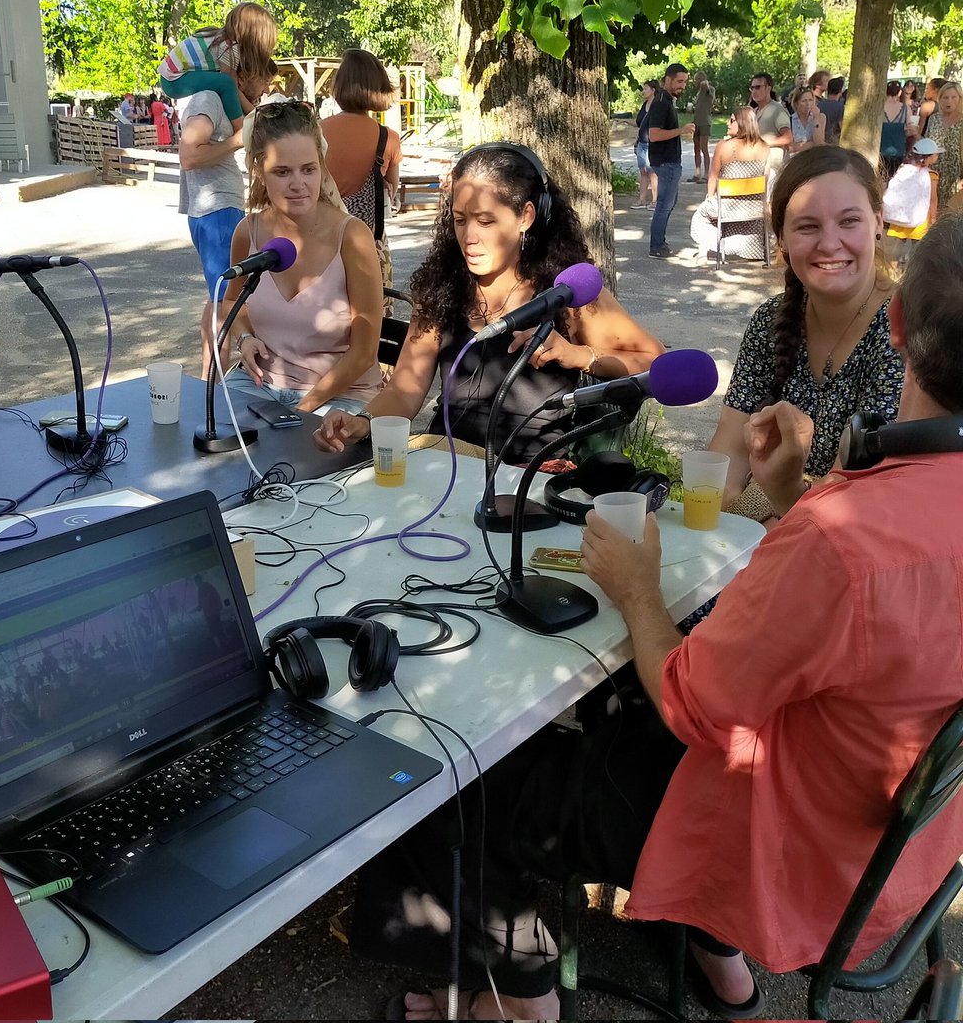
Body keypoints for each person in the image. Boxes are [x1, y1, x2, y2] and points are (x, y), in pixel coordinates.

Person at [352, 211, 963, 1023]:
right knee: (610, 703)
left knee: (460, 768)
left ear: (895, 324)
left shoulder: (844, 539)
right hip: (897, 850)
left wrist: (638, 588)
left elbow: (694, 704)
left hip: (779, 843)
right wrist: (787, 493)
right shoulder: (869, 522)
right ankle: (717, 957)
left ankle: (519, 996)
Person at [314, 144, 665, 464]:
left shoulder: (566, 294)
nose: (469, 238)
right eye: (460, 220)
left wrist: (580, 356)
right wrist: (362, 422)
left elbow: (656, 364)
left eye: (485, 221)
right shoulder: (442, 287)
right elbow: (404, 391)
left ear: (526, 216)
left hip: (530, 472)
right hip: (448, 461)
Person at [706, 147, 904, 524]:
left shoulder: (903, 327)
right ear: (781, 236)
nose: (829, 244)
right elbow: (724, 461)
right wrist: (725, 523)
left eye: (849, 221)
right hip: (774, 537)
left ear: (878, 223)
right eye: (808, 226)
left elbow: (849, 498)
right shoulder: (771, 320)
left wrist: (767, 506)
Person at [221, 99, 383, 415]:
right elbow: (230, 303)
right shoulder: (248, 231)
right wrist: (244, 339)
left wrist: (302, 409)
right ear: (258, 171)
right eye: (282, 172)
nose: (299, 184)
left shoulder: (352, 236)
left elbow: (364, 352)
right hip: (259, 386)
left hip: (340, 396)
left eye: (308, 169)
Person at [178, 67, 270, 376]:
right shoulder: (209, 99)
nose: (266, 84)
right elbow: (190, 155)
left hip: (215, 209)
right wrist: (240, 138)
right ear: (241, 74)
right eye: (263, 75)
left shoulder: (215, 99)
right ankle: (213, 383)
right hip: (217, 209)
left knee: (217, 298)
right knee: (227, 299)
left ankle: (210, 378)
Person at [320, 49, 403, 292]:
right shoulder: (388, 138)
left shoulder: (315, 131)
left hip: (322, 241)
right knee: (374, 317)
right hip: (368, 244)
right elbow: (391, 188)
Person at [158, 1, 277, 138]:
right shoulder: (229, 47)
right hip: (174, 80)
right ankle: (240, 127)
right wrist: (253, 113)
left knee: (224, 82)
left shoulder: (220, 39)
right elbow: (231, 87)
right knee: (226, 83)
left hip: (174, 76)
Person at [689, 107, 771, 261]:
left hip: (727, 206)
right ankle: (751, 248)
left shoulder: (723, 146)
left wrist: (710, 197)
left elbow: (713, 177)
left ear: (742, 123)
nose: (728, 123)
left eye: (732, 120)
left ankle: (710, 248)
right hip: (755, 207)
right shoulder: (765, 147)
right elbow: (765, 180)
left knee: (702, 214)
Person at [646, 62, 694, 258]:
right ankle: (656, 246)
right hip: (666, 162)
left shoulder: (666, 101)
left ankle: (660, 242)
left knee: (668, 203)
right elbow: (654, 135)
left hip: (669, 162)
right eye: (679, 81)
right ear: (668, 80)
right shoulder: (660, 103)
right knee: (664, 205)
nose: (683, 85)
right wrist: (681, 131)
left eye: (685, 82)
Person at [883, 137, 940, 269]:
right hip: (921, 219)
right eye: (935, 154)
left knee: (899, 243)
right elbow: (933, 198)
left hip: (900, 215)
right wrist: (933, 218)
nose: (937, 157)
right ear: (928, 157)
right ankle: (911, 271)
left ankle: (893, 269)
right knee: (917, 245)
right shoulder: (931, 175)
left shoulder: (904, 169)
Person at [922, 79, 963, 212]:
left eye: (953, 97)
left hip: (955, 178)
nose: (949, 101)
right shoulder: (934, 119)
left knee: (951, 218)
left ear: (960, 99)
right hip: (933, 176)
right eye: (945, 97)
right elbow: (926, 145)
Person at [749, 72, 791, 189]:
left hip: (772, 168)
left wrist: (765, 142)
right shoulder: (754, 111)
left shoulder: (777, 110)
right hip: (755, 165)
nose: (754, 91)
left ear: (768, 88)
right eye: (752, 88)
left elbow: (788, 137)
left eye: (758, 87)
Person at [632, 80, 658, 209]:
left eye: (646, 88)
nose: (643, 91)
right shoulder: (644, 105)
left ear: (653, 90)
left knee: (652, 172)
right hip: (642, 143)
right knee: (643, 171)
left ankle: (655, 201)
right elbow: (639, 122)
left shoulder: (657, 106)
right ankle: (642, 200)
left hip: (652, 143)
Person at [879, 80, 912, 178]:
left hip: (880, 152)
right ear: (900, 92)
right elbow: (909, 131)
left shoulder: (879, 108)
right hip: (898, 151)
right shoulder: (906, 109)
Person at [689, 71, 715, 182]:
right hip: (697, 122)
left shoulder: (709, 89)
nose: (696, 81)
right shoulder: (698, 92)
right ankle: (697, 173)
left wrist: (705, 83)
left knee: (704, 148)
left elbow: (707, 87)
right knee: (696, 148)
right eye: (695, 79)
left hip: (705, 122)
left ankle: (706, 175)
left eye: (697, 79)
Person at [788, 87, 825, 154]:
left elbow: (819, 143)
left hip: (814, 158)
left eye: (810, 100)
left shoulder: (820, 117)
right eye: (804, 101)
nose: (808, 104)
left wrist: (816, 118)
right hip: (796, 159)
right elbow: (791, 148)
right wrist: (811, 143)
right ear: (796, 104)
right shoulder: (789, 119)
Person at [819, 75, 846, 144]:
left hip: (820, 141)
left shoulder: (819, 104)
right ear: (841, 90)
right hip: (834, 142)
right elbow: (843, 128)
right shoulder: (840, 107)